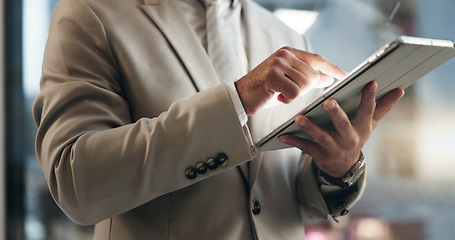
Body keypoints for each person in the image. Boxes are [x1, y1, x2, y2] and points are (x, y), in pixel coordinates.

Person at [32, 0, 404, 239]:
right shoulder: (91, 12)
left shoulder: (288, 36)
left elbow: (287, 200)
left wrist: (339, 168)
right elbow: (75, 182)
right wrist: (238, 100)